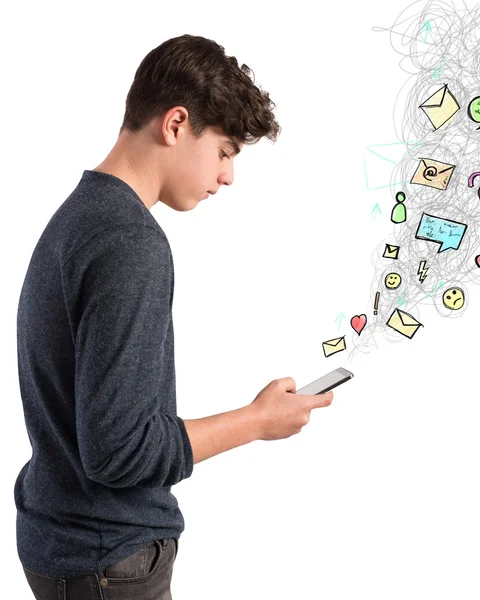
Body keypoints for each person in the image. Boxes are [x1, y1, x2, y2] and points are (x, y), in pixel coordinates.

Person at [15, 33, 334, 600]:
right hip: (109, 559)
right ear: (176, 123)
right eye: (226, 151)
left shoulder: (77, 217)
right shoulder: (130, 241)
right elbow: (118, 451)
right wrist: (258, 421)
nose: (228, 176)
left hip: (63, 542)